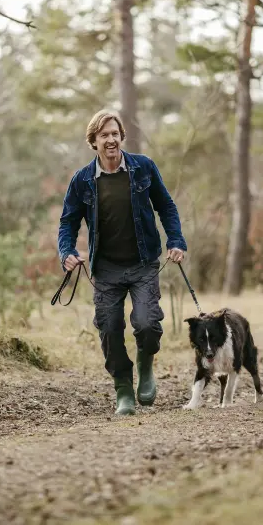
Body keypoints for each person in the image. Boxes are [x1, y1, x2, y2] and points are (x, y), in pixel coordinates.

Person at [57, 109, 187, 416]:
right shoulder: (82, 180)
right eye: (104, 135)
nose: (111, 139)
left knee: (146, 323)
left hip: (143, 263)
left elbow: (166, 207)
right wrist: (67, 252)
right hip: (106, 269)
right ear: (94, 142)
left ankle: (145, 367)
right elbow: (68, 222)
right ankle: (123, 390)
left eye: (115, 133)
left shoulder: (143, 168)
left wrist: (176, 241)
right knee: (109, 329)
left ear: (121, 137)